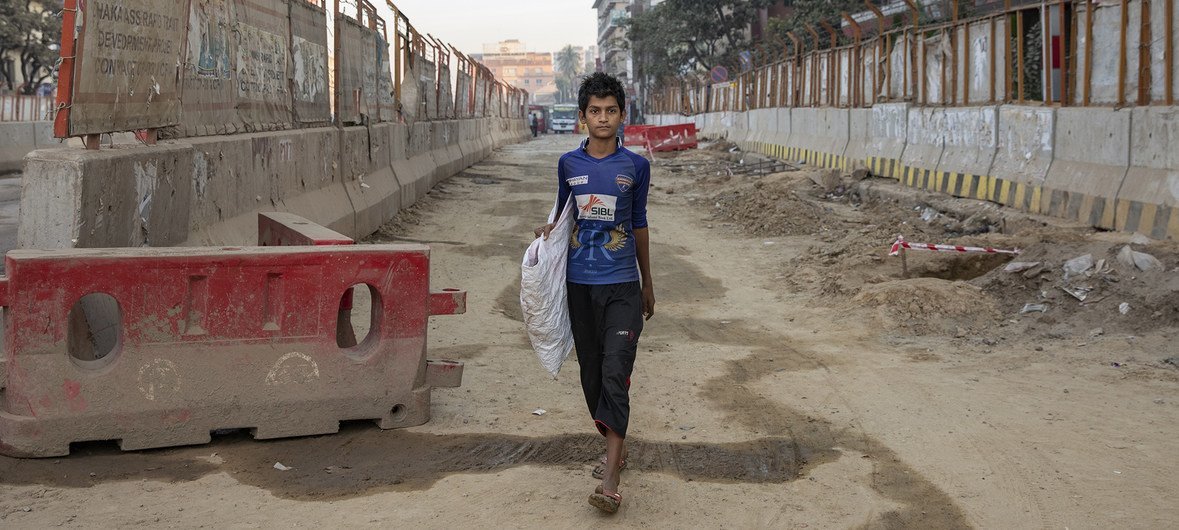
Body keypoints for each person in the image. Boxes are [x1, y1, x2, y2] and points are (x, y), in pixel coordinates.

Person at [534, 72, 654, 514]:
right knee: (590, 376)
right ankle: (616, 446)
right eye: (595, 111)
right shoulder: (569, 165)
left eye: (611, 110)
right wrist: (549, 231)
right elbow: (564, 214)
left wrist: (647, 284)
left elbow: (639, 224)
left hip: (622, 286)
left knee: (614, 371)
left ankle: (610, 477)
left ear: (623, 115)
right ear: (582, 117)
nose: (603, 118)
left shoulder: (636, 167)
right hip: (579, 287)